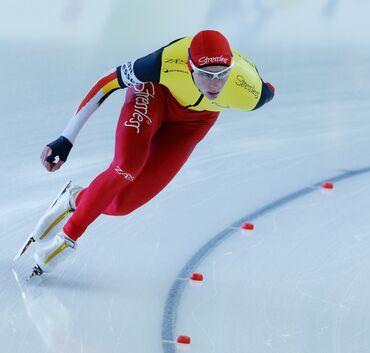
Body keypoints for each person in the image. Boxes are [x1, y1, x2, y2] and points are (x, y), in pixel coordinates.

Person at [15, 30, 275, 277]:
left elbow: (268, 91)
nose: (215, 84)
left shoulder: (249, 91)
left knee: (121, 205)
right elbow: (108, 82)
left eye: (223, 74)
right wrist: (67, 137)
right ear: (188, 67)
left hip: (194, 123)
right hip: (154, 93)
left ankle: (76, 199)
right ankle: (67, 239)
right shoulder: (165, 62)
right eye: (206, 74)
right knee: (127, 166)